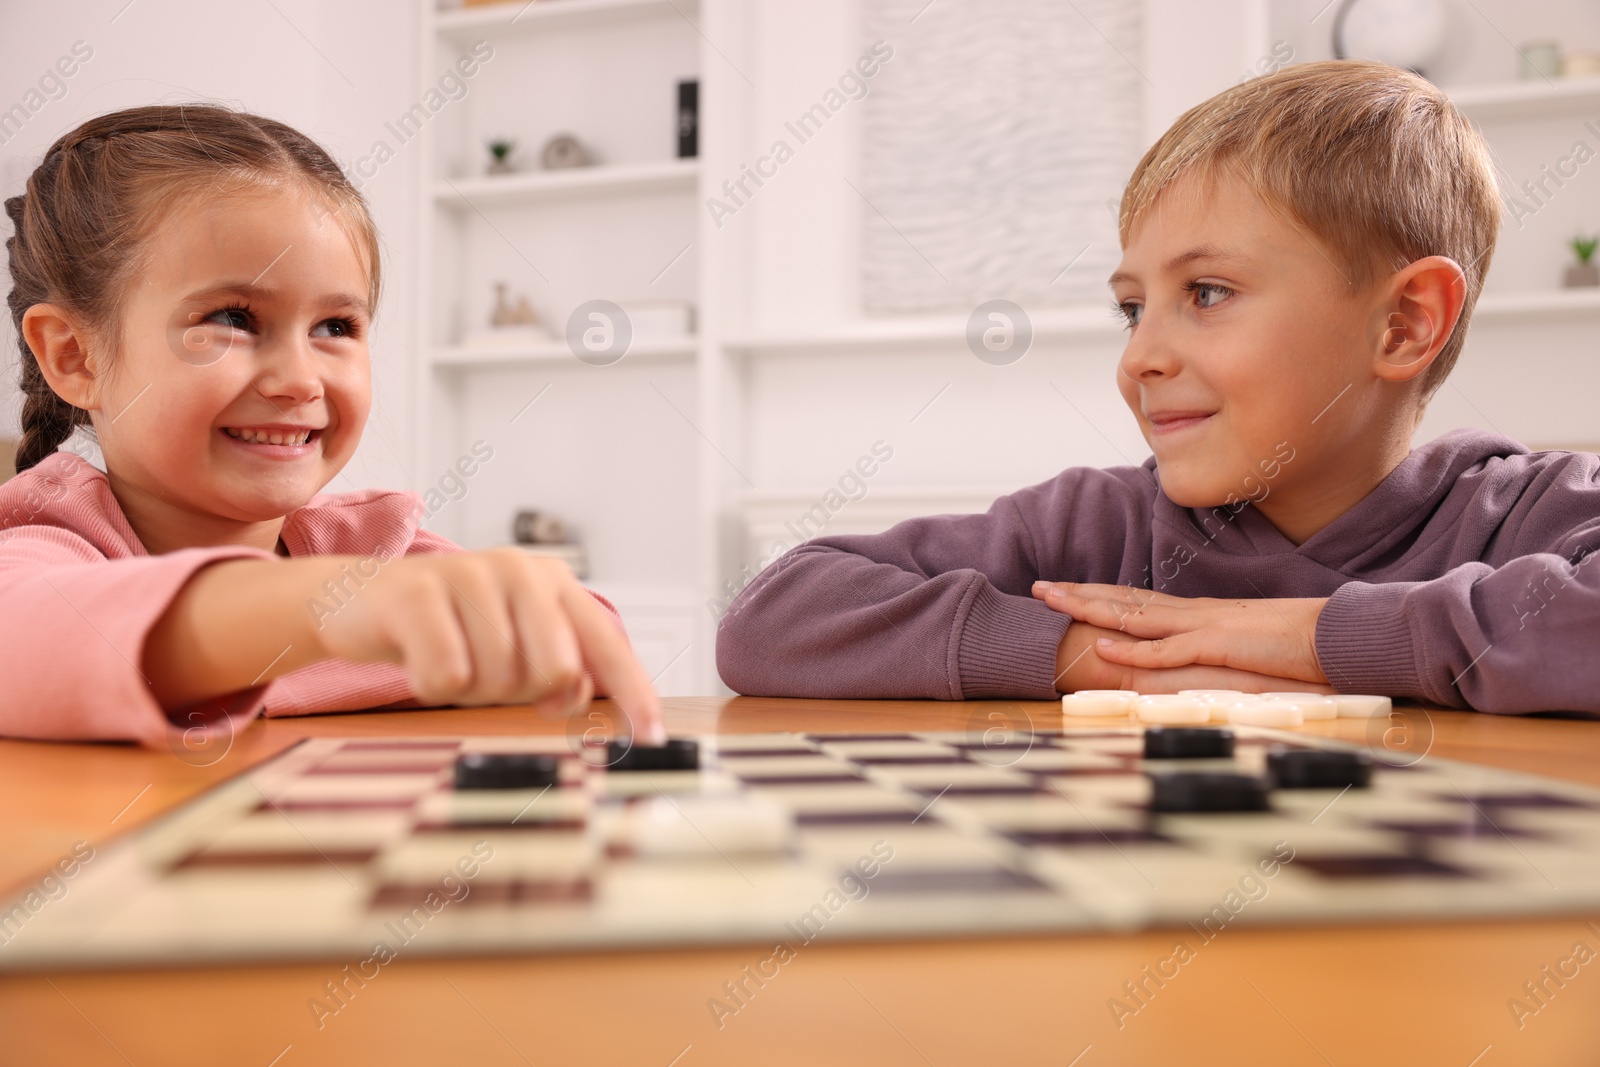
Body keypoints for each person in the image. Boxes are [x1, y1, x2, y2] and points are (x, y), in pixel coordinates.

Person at [717, 60, 1600, 714]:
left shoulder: (1529, 514)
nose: (1139, 357)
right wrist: (1091, 655)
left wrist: (1313, 638)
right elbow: (769, 617)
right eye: (1132, 309)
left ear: (1405, 323)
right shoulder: (1099, 528)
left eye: (1206, 293)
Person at [1, 104, 661, 743]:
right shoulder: (42, 543)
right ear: (73, 355)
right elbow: (29, 639)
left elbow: (580, 644)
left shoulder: (371, 552)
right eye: (232, 319)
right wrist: (321, 612)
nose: (300, 378)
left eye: (335, 327)